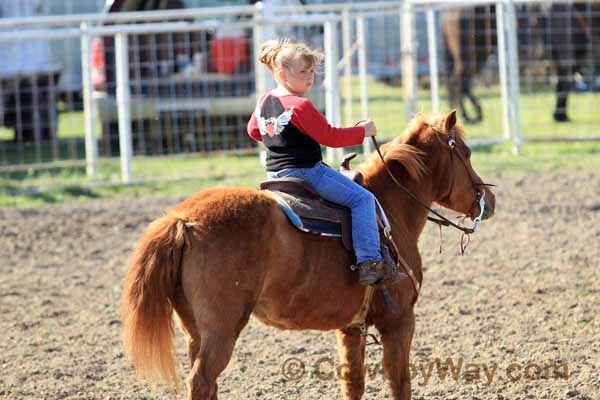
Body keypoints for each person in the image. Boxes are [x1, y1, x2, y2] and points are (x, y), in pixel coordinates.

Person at [247, 39, 391, 286]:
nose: (310, 76)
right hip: (307, 173)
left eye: (312, 70)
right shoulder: (300, 106)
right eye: (303, 71)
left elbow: (253, 131)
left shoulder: (264, 101)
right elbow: (330, 137)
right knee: (362, 199)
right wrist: (363, 131)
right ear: (282, 74)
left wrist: (279, 139)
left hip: (274, 176)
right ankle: (369, 261)